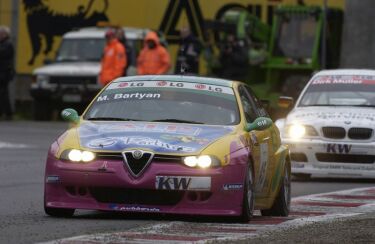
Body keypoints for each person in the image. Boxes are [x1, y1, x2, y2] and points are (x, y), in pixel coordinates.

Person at [0, 26, 14, 120]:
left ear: (5, 34)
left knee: (3, 94)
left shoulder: (7, 44)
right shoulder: (3, 44)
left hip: (4, 73)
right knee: (3, 93)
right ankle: (7, 113)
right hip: (3, 72)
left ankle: (7, 113)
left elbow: (3, 53)